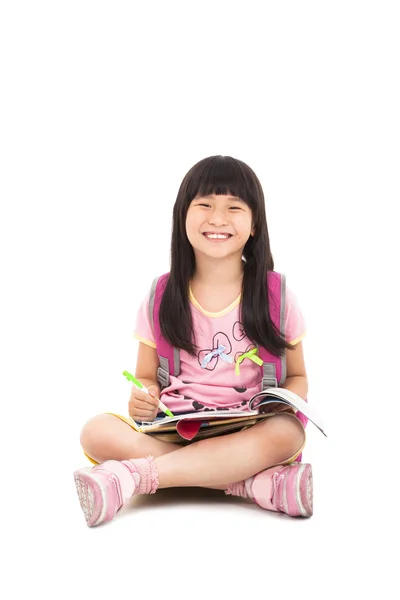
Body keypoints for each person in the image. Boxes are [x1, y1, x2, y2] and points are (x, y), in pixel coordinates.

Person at [74, 155, 313, 527]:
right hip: (177, 428)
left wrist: (281, 406)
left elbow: (297, 377)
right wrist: (144, 395)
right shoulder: (162, 294)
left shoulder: (275, 295)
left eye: (234, 207)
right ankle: (253, 484)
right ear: (182, 216)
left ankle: (134, 477)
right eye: (204, 205)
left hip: (245, 430)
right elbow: (146, 377)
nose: (217, 219)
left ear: (254, 225)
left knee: (287, 432)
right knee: (95, 432)